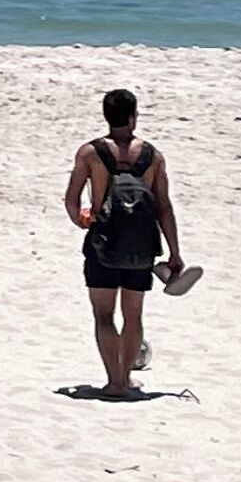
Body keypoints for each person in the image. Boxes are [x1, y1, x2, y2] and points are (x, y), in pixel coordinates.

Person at [64, 87, 183, 398]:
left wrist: (83, 220)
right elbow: (164, 206)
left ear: (106, 116)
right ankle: (126, 380)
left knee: (104, 314)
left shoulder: (90, 153)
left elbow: (72, 199)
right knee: (134, 314)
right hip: (141, 246)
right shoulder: (153, 156)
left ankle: (113, 381)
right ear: (134, 116)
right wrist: (175, 252)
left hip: (103, 241)